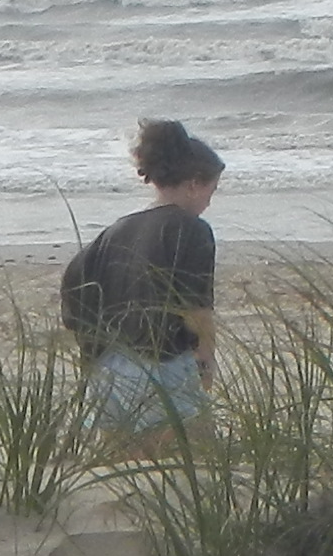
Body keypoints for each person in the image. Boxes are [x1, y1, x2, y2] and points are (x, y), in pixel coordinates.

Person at [61, 120, 224, 439]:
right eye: (211, 190)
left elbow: (75, 291)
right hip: (162, 370)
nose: (209, 202)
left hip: (107, 375)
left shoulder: (115, 231)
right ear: (193, 183)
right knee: (198, 462)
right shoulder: (192, 229)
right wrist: (206, 361)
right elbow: (196, 311)